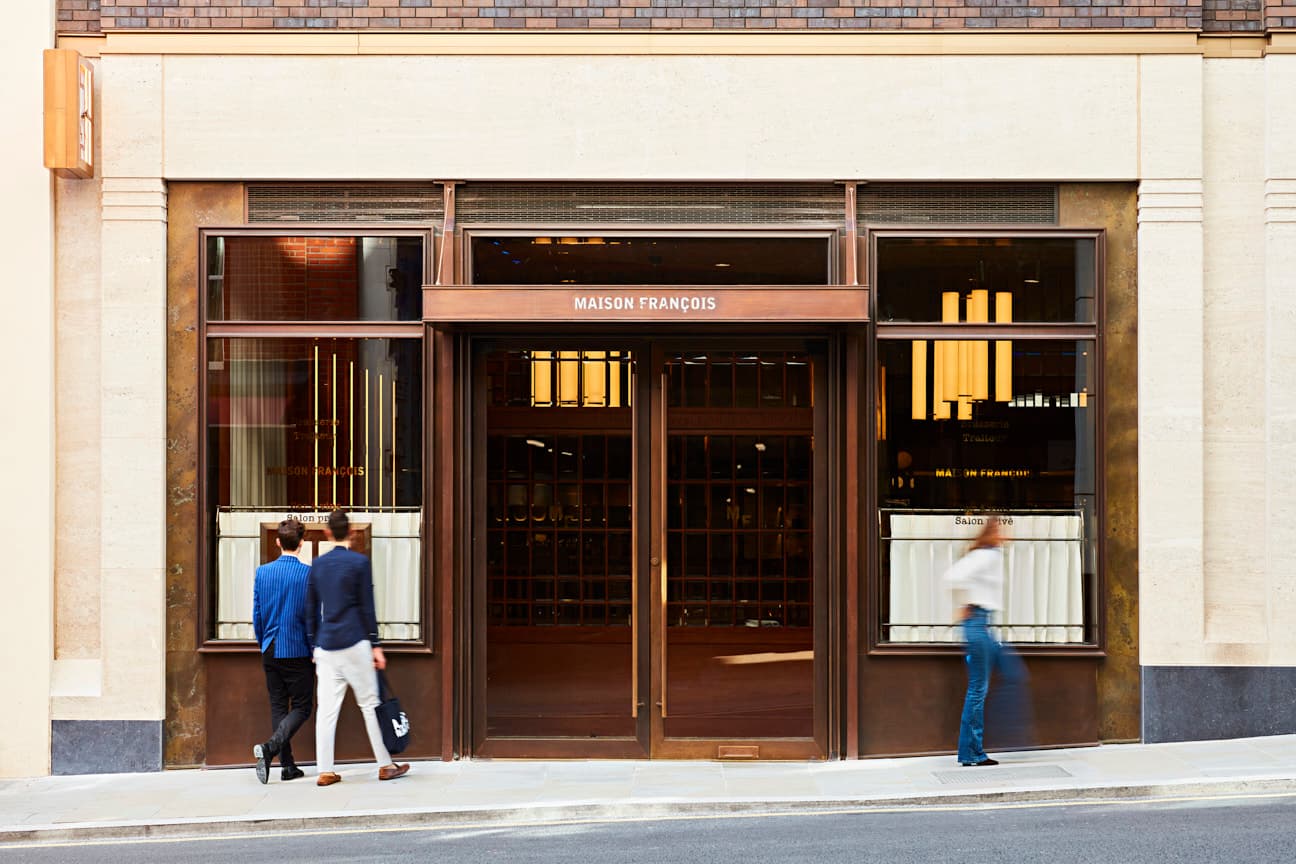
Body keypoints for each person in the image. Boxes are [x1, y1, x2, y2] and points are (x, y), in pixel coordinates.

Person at [306, 509, 410, 786]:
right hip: (355, 641)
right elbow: (367, 605)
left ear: (327, 533)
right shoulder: (360, 563)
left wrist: (313, 644)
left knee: (326, 710)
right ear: (351, 532)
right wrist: (375, 644)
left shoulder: (317, 565)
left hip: (326, 646)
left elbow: (311, 608)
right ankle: (385, 764)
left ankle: (325, 770)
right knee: (370, 705)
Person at [944, 515, 1027, 767]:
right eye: (1002, 529)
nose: (1007, 534)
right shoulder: (985, 555)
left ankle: (1004, 735)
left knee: (1013, 675)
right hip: (977, 626)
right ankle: (972, 752)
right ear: (994, 532)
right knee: (979, 689)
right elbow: (952, 577)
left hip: (985, 626)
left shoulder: (993, 556)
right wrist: (966, 603)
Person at [251, 518, 313, 784]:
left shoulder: (262, 573)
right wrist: (313, 648)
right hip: (297, 648)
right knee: (302, 706)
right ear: (301, 543)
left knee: (279, 705)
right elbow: (312, 618)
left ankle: (288, 766)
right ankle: (270, 749)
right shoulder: (308, 574)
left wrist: (262, 640)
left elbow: (257, 614)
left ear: (278, 542)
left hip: (270, 647)